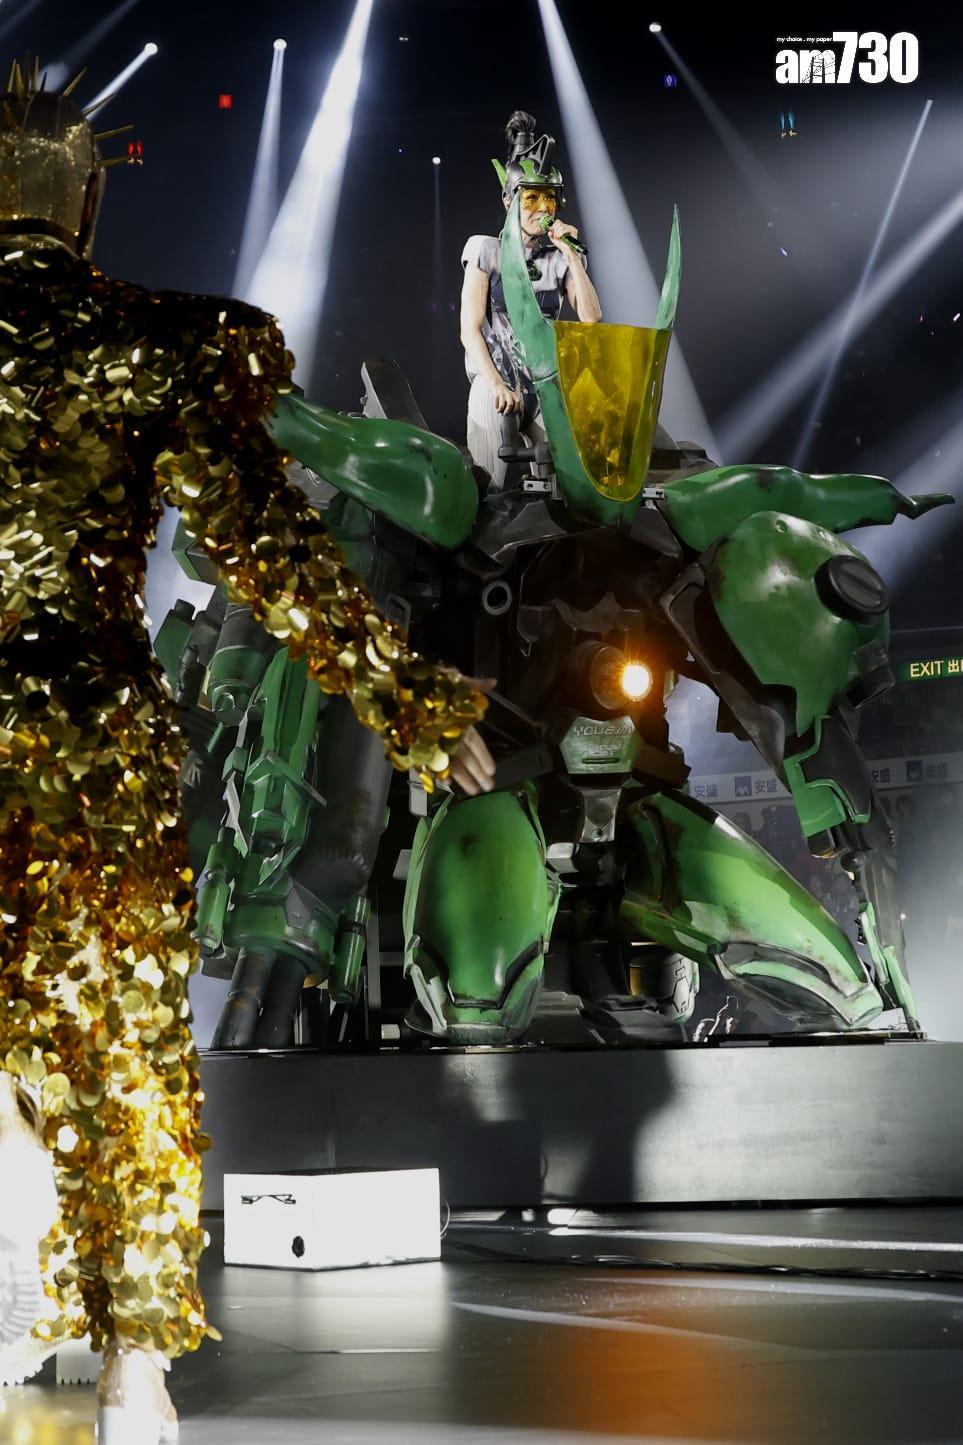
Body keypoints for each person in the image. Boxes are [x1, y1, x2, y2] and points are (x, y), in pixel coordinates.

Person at [0, 58, 492, 1440]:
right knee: (128, 1040)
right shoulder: (155, 343)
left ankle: (43, 1262)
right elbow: (275, 552)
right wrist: (408, 697)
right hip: (89, 733)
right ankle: (134, 1366)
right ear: (86, 203)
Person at [459, 110, 602, 491]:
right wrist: (495, 384)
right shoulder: (485, 251)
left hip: (546, 386)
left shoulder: (561, 260)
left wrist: (572, 256)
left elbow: (592, 320)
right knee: (488, 486)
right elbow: (470, 329)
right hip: (497, 383)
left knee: (568, 487)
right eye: (532, 198)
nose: (542, 207)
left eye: (549, 198)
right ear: (509, 200)